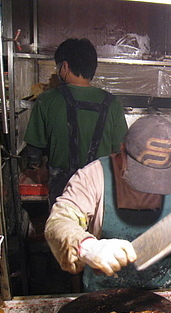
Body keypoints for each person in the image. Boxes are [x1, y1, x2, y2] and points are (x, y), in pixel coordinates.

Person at [44, 115, 171, 292]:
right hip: (102, 293)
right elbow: (59, 221)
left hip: (162, 291)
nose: (149, 182)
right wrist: (87, 247)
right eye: (143, 173)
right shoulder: (92, 177)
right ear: (123, 151)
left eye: (157, 175)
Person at [24, 38, 128, 206]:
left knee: (63, 228)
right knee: (95, 230)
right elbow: (122, 150)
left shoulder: (47, 99)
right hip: (101, 185)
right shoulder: (112, 103)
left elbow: (34, 152)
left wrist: (37, 168)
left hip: (62, 187)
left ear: (65, 66)